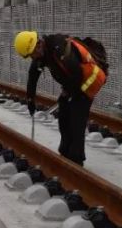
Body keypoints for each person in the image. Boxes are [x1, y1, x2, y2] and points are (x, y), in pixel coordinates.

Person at [14, 31, 109, 167]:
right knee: (64, 115)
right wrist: (30, 100)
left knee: (76, 120)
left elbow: (76, 73)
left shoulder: (59, 50)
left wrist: (68, 92)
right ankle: (65, 152)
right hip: (73, 83)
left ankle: (76, 160)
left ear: (38, 46)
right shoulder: (40, 54)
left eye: (31, 54)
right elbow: (32, 76)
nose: (32, 58)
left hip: (88, 81)